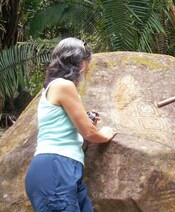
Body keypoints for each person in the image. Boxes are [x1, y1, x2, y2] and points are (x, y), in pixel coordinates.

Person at [25, 37, 117, 211]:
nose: (88, 68)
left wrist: (86, 119)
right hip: (56, 168)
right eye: (87, 62)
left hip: (63, 171)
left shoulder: (53, 87)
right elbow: (89, 133)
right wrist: (103, 134)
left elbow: (65, 126)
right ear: (80, 63)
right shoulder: (63, 85)